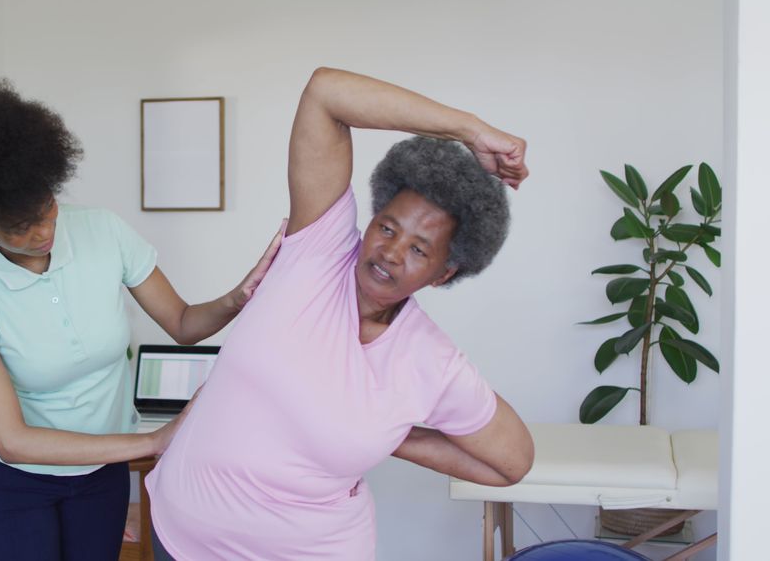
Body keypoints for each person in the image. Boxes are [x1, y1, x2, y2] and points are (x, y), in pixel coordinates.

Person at [145, 67, 535, 560]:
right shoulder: (317, 253)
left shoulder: (430, 362)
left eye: (419, 250)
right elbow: (326, 92)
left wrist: (392, 439)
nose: (391, 253)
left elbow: (512, 463)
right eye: (388, 228)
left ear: (444, 273)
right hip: (178, 540)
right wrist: (470, 130)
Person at [0, 77, 280, 561]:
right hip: (14, 488)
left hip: (101, 479)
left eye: (46, 209)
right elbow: (11, 441)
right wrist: (153, 440)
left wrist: (239, 296)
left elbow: (181, 322)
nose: (43, 231)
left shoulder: (103, 231)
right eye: (20, 227)